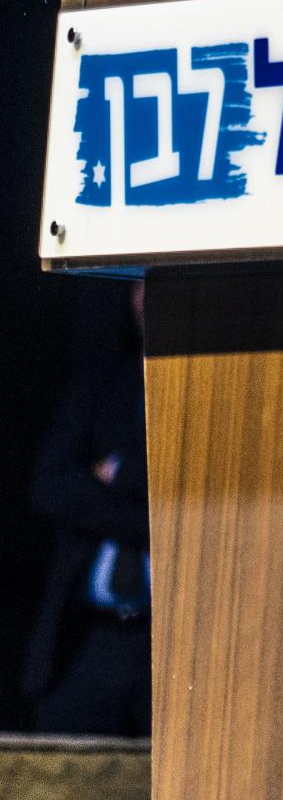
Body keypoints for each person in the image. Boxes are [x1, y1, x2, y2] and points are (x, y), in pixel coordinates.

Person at [21, 284, 151, 735]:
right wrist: (144, 506)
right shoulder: (104, 385)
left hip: (169, 640)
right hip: (90, 638)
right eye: (138, 283)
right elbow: (49, 487)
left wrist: (117, 473)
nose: (146, 297)